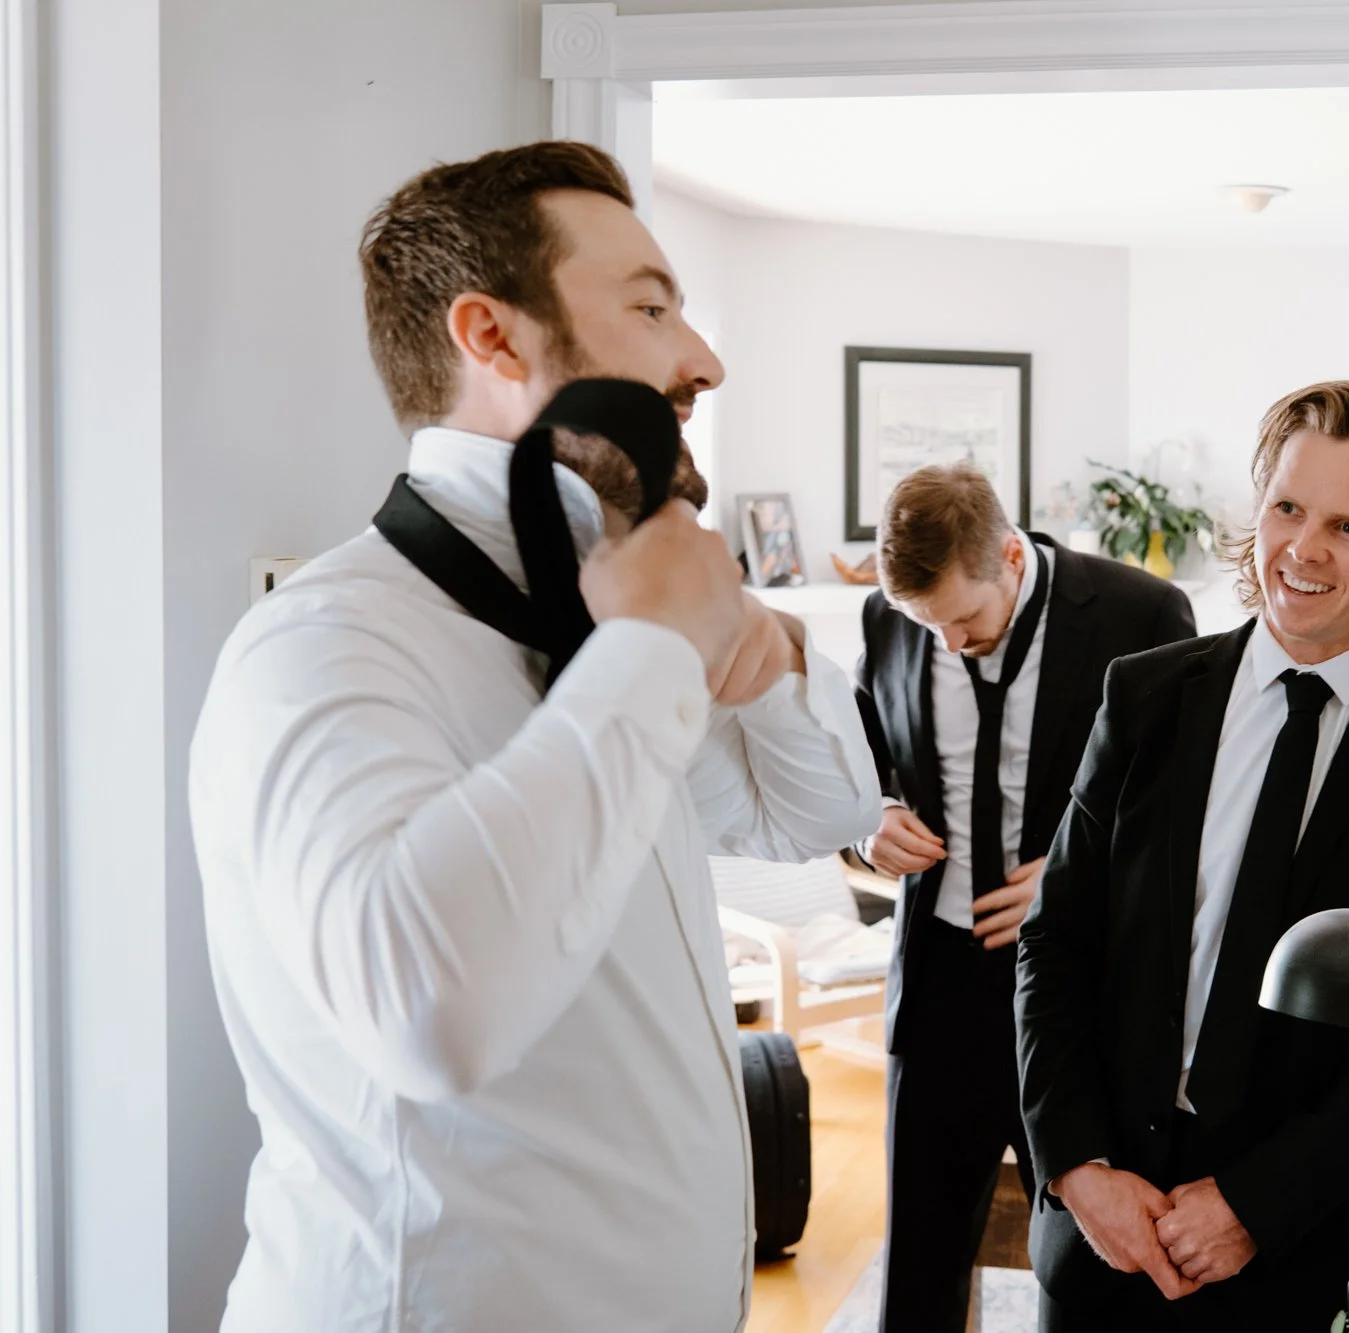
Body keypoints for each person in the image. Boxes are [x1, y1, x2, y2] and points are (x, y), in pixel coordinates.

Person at [187, 141, 881, 1333]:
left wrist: (741, 660)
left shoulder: (613, 609)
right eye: (652, 306)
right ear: (493, 337)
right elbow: (428, 1006)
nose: (702, 360)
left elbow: (817, 816)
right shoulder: (325, 644)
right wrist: (655, 653)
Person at [1015, 379, 1349, 1330]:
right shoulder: (1144, 696)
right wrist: (1076, 1168)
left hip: (1307, 1247)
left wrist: (1253, 1205)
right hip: (1106, 1230)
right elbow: (1053, 943)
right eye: (1287, 507)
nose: (1303, 548)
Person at [852, 463, 1197, 1331]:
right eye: (927, 626)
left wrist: (1079, 869)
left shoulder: (1143, 614)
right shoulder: (890, 621)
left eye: (964, 618)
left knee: (1083, 1269)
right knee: (920, 1264)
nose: (950, 641)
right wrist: (870, 821)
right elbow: (864, 764)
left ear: (1010, 554)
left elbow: (1184, 810)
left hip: (1080, 996)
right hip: (936, 993)